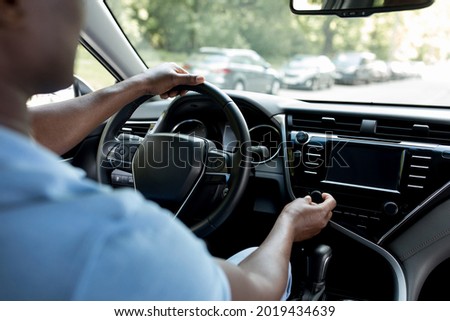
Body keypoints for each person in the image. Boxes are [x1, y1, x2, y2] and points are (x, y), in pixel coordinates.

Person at [0, 0, 336, 300]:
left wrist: (141, 84)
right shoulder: (117, 239)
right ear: (10, 7)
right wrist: (290, 223)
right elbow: (258, 292)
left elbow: (31, 131)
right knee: (259, 257)